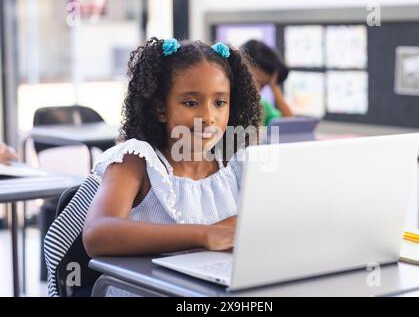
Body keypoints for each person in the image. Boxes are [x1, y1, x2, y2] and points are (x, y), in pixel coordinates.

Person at [82, 37, 262, 257]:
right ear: (160, 108)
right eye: (191, 103)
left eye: (219, 103)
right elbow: (96, 234)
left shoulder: (234, 165)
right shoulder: (138, 161)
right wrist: (204, 235)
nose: (208, 117)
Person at [241, 39, 294, 126]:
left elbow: (291, 125)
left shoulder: (263, 106)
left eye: (263, 86)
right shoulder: (226, 104)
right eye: (256, 83)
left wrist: (275, 88)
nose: (257, 91)